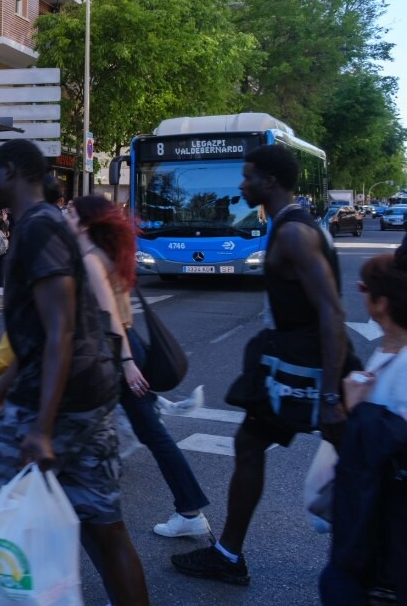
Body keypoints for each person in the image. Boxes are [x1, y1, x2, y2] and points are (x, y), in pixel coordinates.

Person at [0, 139, 149, 606]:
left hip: (58, 401)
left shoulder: (38, 228)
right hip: (90, 396)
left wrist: (42, 428)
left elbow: (60, 331)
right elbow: (35, 339)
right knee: (103, 525)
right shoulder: (47, 224)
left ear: (13, 172)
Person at [173, 144, 349, 586]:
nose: (241, 183)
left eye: (248, 175)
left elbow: (331, 312)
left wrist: (331, 394)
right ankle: (228, 556)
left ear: (270, 180)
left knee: (363, 462)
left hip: (309, 368)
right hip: (295, 361)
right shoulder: (289, 225)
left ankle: (374, 563)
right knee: (250, 446)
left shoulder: (294, 233)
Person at [68, 195, 212, 538]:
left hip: (118, 353)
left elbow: (110, 317)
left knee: (147, 435)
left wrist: (128, 364)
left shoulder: (90, 258)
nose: (65, 215)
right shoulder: (105, 255)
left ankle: (188, 512)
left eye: (71, 213)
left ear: (86, 223)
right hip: (125, 349)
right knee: (149, 434)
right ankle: (188, 510)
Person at [322, 244, 407, 602]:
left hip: (381, 537)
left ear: (383, 303)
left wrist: (353, 411)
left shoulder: (400, 368)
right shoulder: (390, 353)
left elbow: (380, 451)